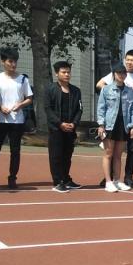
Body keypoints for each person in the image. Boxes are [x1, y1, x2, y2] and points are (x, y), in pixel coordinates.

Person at [96, 49, 133, 187]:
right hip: (111, 121)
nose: (129, 62)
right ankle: (108, 179)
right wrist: (101, 124)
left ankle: (124, 178)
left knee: (128, 150)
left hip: (131, 120)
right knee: (109, 152)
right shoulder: (111, 83)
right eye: (128, 59)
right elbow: (100, 89)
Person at [0, 48, 33, 190]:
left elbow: (29, 98)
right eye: (10, 61)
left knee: (15, 151)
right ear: (2, 62)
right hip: (0, 120)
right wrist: (0, 107)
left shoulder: (23, 79)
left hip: (17, 121)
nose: (13, 64)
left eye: (15, 61)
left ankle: (12, 177)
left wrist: (20, 105)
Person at [97, 63, 133, 193]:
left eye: (123, 73)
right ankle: (108, 182)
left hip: (123, 125)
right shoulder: (106, 89)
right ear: (114, 74)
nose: (121, 75)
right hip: (110, 125)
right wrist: (101, 125)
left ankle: (117, 180)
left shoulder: (130, 91)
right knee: (108, 154)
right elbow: (101, 108)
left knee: (118, 155)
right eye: (119, 73)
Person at [44, 60, 82, 192]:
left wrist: (74, 124)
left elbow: (79, 110)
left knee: (67, 156)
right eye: (63, 72)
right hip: (56, 129)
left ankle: (66, 179)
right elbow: (48, 109)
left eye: (68, 72)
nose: (67, 74)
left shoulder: (76, 91)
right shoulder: (50, 89)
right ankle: (57, 181)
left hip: (70, 129)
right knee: (56, 156)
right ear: (57, 74)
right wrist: (60, 123)